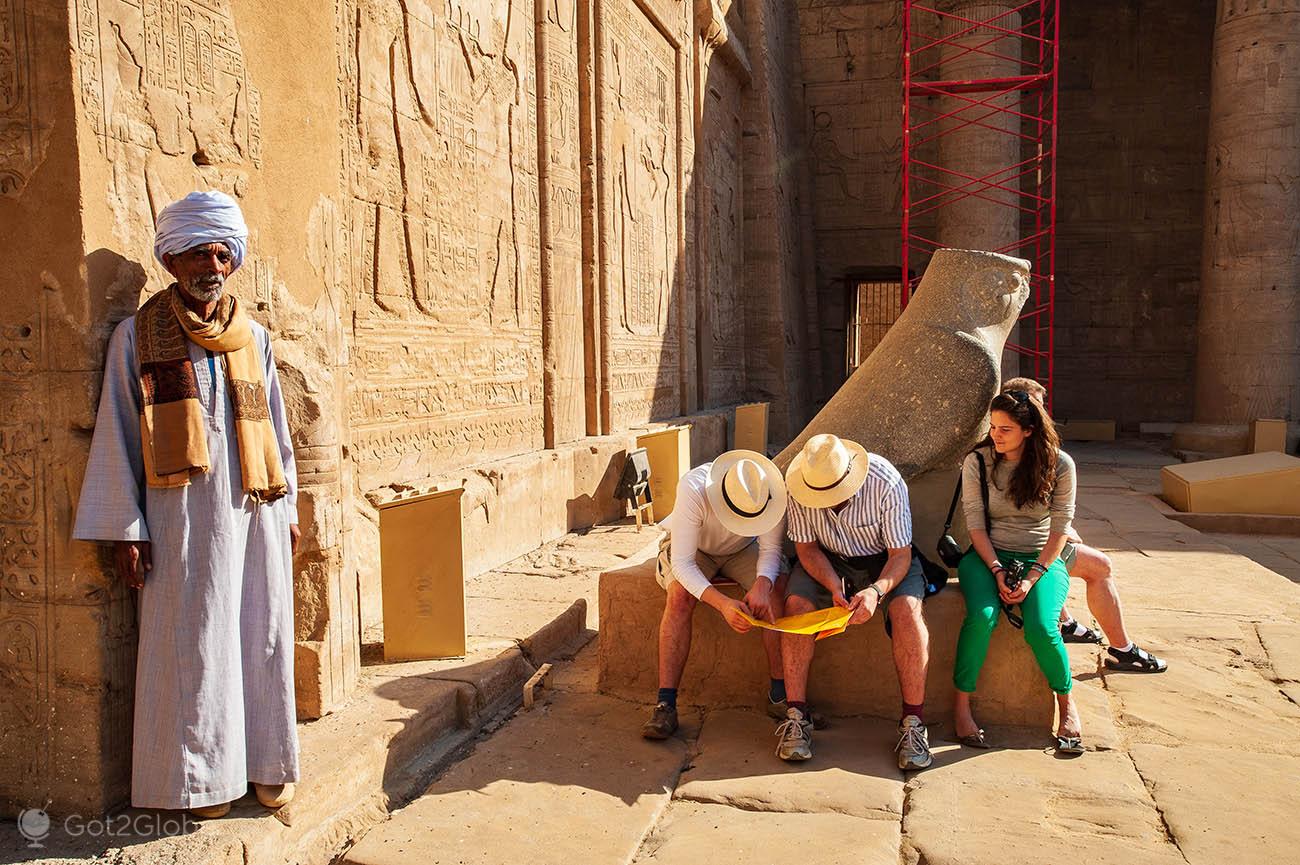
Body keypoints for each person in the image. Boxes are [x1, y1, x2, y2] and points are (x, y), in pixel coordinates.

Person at [73, 190, 301, 818]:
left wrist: (291, 514)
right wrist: (127, 529)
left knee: (261, 635)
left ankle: (263, 763)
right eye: (198, 252)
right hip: (180, 524)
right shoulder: (136, 336)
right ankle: (201, 783)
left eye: (222, 252)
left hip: (254, 512)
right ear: (172, 260)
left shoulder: (251, 337)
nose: (212, 264)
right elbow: (119, 430)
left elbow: (278, 433)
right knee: (194, 644)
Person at [775, 434, 933, 771]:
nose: (828, 501)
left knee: (906, 610)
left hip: (885, 561)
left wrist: (875, 591)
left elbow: (900, 554)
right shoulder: (799, 484)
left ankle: (913, 723)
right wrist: (833, 584)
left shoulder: (884, 480)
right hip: (827, 560)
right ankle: (796, 716)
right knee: (796, 609)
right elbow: (806, 549)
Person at [1001, 377, 1167, 674]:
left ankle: (1065, 622)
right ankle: (1122, 650)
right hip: (1019, 550)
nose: (1045, 414)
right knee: (1100, 566)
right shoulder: (1027, 454)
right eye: (1039, 406)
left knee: (1066, 546)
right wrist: (1062, 535)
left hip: (1022, 543)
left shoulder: (1012, 450)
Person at [953, 390, 1084, 753]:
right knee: (982, 617)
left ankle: (1067, 703)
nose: (996, 435)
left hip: (1040, 557)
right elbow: (975, 523)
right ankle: (961, 707)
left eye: (1006, 429)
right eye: (993, 427)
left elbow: (1060, 528)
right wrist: (996, 570)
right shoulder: (978, 462)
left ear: (1029, 430)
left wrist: (1032, 577)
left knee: (1043, 627)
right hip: (987, 554)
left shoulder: (1060, 465)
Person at [642, 450, 791, 739]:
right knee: (679, 597)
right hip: (698, 549)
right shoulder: (693, 488)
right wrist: (722, 604)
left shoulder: (770, 490)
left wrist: (762, 583)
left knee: (774, 595)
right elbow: (683, 563)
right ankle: (666, 703)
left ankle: (779, 693)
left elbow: (771, 550)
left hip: (743, 550)